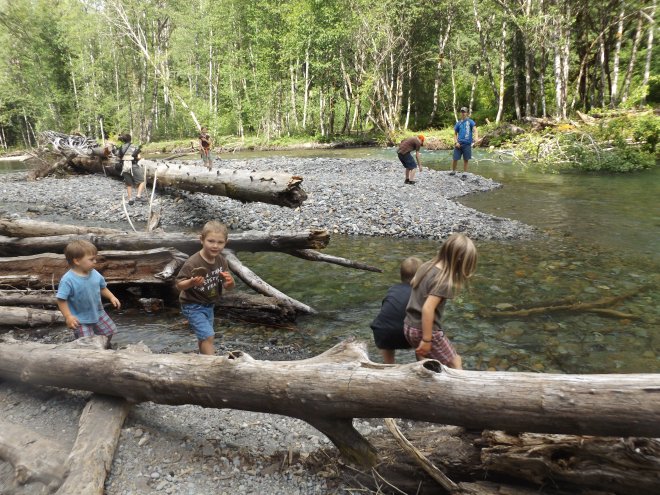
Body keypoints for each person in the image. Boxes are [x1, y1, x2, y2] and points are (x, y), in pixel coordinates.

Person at [404, 233, 478, 369]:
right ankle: (461, 388)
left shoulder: (426, 266)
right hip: (425, 331)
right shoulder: (443, 281)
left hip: (409, 326)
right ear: (460, 261)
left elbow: (413, 283)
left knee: (424, 360)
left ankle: (425, 382)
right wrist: (427, 340)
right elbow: (427, 308)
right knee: (455, 361)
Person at [175, 220, 235, 355]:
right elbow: (179, 284)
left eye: (220, 242)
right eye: (211, 241)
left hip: (209, 305)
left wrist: (230, 282)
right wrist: (191, 282)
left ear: (226, 242)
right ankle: (212, 365)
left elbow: (228, 286)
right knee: (208, 336)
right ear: (201, 240)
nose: (215, 246)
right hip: (192, 305)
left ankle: (203, 361)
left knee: (204, 337)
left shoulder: (221, 261)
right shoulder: (193, 262)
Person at [56, 239, 121, 346]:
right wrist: (68, 317)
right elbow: (61, 299)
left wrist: (112, 297)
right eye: (91, 259)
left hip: (98, 312)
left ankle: (105, 347)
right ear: (77, 261)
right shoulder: (68, 280)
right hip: (80, 318)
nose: (95, 262)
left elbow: (102, 287)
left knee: (109, 331)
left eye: (95, 259)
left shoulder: (94, 273)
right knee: (87, 342)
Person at [370, 256, 423, 364]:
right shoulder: (421, 293)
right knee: (422, 333)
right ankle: (422, 364)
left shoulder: (392, 289)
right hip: (408, 335)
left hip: (382, 332)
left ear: (401, 276)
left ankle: (389, 364)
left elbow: (386, 310)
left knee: (386, 330)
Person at [117, 133, 145, 205]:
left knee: (129, 184)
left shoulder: (121, 147)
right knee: (142, 181)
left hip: (125, 167)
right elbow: (139, 157)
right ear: (130, 139)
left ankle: (130, 199)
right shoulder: (134, 147)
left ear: (123, 140)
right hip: (133, 166)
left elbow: (119, 157)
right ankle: (138, 196)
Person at [451, 107, 478, 177]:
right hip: (458, 143)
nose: (463, 113)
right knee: (455, 158)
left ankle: (465, 173)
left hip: (467, 144)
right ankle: (453, 171)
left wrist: (476, 137)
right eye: (462, 112)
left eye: (464, 112)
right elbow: (455, 134)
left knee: (466, 159)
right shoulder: (458, 123)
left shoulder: (470, 121)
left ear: (467, 113)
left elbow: (475, 130)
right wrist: (456, 142)